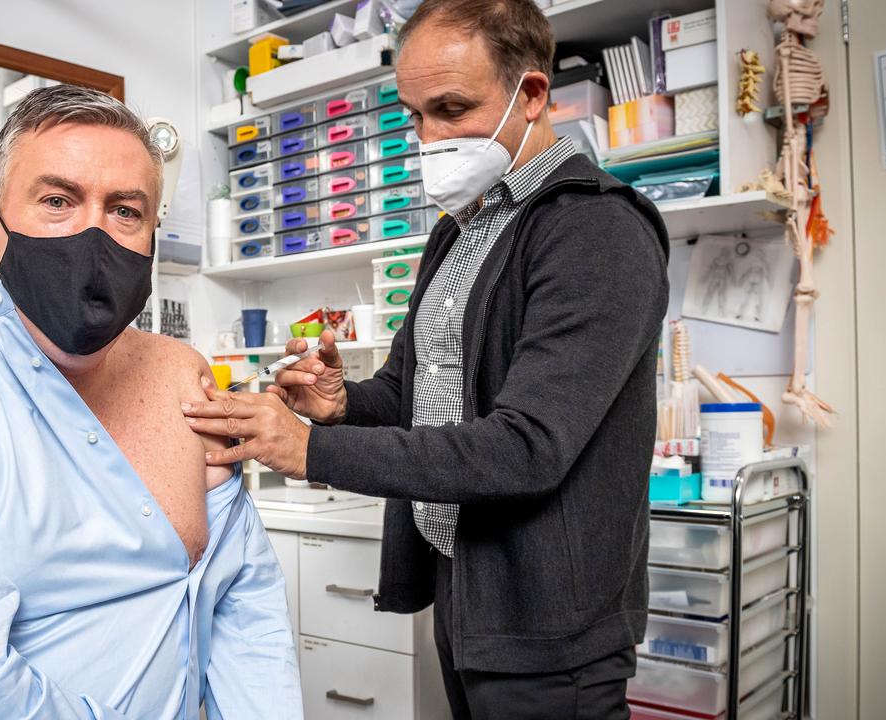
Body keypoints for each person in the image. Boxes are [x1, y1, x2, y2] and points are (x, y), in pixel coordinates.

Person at [182, 0, 670, 717]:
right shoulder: (458, 232)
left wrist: (310, 449)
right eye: (415, 115)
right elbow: (413, 395)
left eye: (451, 107)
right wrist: (342, 404)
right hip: (465, 591)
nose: (428, 138)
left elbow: (526, 448)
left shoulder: (594, 230)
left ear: (532, 95)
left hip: (549, 623)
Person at [0, 85, 301, 719]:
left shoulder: (181, 375)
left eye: (125, 211)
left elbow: (241, 594)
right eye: (58, 201)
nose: (93, 238)